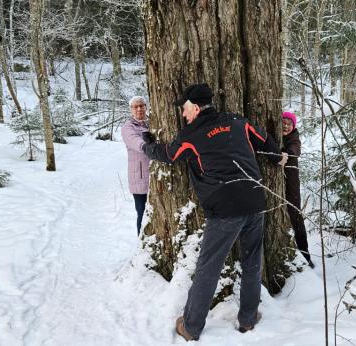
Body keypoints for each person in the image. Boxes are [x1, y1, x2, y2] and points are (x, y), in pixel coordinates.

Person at [141, 83, 288, 341]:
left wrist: (147, 147)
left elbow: (168, 155)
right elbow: (264, 139)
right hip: (255, 200)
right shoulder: (236, 121)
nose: (183, 115)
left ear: (196, 108)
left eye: (185, 109)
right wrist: (278, 157)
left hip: (224, 209)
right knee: (253, 260)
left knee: (210, 266)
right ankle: (248, 318)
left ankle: (191, 326)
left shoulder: (191, 134)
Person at [282, 111, 313, 268]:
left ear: (293, 127)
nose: (286, 126)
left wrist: (288, 153)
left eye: (289, 124)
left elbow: (295, 149)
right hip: (279, 182)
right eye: (284, 123)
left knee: (295, 215)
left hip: (291, 182)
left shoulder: (294, 139)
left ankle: (305, 254)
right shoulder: (276, 135)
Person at [121, 96, 150, 235]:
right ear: (131, 110)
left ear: (146, 107)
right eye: (135, 106)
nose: (139, 109)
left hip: (154, 175)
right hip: (139, 177)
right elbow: (133, 141)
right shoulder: (128, 127)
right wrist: (146, 146)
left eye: (141, 105)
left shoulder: (152, 122)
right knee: (143, 213)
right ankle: (141, 243)